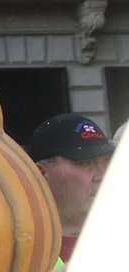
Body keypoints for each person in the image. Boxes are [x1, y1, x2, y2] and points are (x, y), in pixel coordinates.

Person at [23, 113, 114, 263]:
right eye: (85, 163)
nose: (103, 175)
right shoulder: (17, 254)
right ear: (41, 174)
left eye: (107, 162)